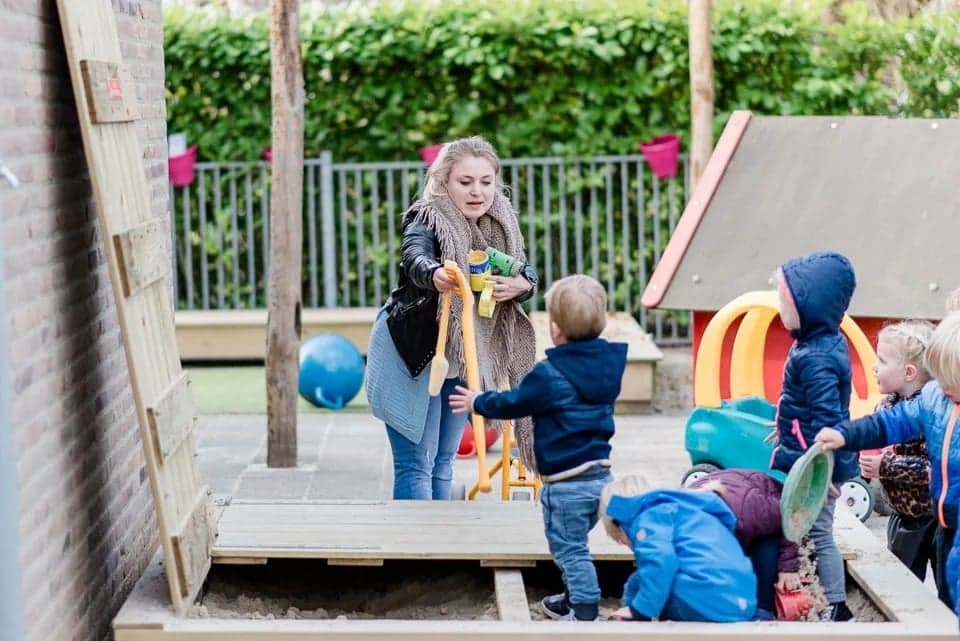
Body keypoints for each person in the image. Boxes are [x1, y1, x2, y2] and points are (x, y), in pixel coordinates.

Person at [364, 136, 539, 500]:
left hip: (463, 356)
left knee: (444, 462)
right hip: (414, 355)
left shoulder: (498, 224)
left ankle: (441, 551)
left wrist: (523, 284)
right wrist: (435, 274)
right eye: (465, 182)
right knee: (417, 464)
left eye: (485, 182)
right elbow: (414, 256)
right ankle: (416, 553)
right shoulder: (426, 216)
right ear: (444, 181)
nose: (477, 192)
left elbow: (519, 269)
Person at [449, 274, 627, 621]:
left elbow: (514, 402)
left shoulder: (549, 375)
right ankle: (574, 595)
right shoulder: (609, 365)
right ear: (603, 323)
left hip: (566, 484)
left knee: (569, 549)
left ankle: (585, 608)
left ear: (556, 330)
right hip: (600, 476)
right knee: (573, 544)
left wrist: (478, 401)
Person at [817, 312, 960, 612]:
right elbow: (888, 423)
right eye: (939, 374)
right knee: (945, 594)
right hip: (945, 522)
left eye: (950, 378)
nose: (940, 384)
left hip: (944, 521)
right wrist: (845, 435)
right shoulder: (934, 399)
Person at [770, 250, 857, 621]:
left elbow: (828, 420)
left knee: (818, 532)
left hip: (814, 466)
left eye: (784, 299)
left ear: (810, 305)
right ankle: (813, 593)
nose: (778, 307)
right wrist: (782, 422)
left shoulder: (816, 355)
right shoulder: (812, 342)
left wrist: (824, 471)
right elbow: (804, 404)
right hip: (805, 455)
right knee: (803, 529)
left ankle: (837, 605)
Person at [598, 474, 758, 622]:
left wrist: (639, 610)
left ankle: (630, 628)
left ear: (618, 521)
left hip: (703, 601)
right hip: (741, 604)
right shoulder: (692, 513)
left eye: (624, 540)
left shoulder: (648, 516)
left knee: (637, 583)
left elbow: (661, 560)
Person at [857, 320, 936, 581]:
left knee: (947, 586)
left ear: (909, 372)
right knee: (903, 582)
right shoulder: (888, 405)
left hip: (935, 518)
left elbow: (932, 469)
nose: (873, 366)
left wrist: (885, 466)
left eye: (882, 361)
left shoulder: (929, 413)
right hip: (902, 514)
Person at [688, 469, 801, 620]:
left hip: (768, 499)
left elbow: (790, 517)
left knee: (767, 544)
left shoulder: (754, 512)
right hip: (729, 491)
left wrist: (788, 566)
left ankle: (763, 609)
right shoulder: (683, 519)